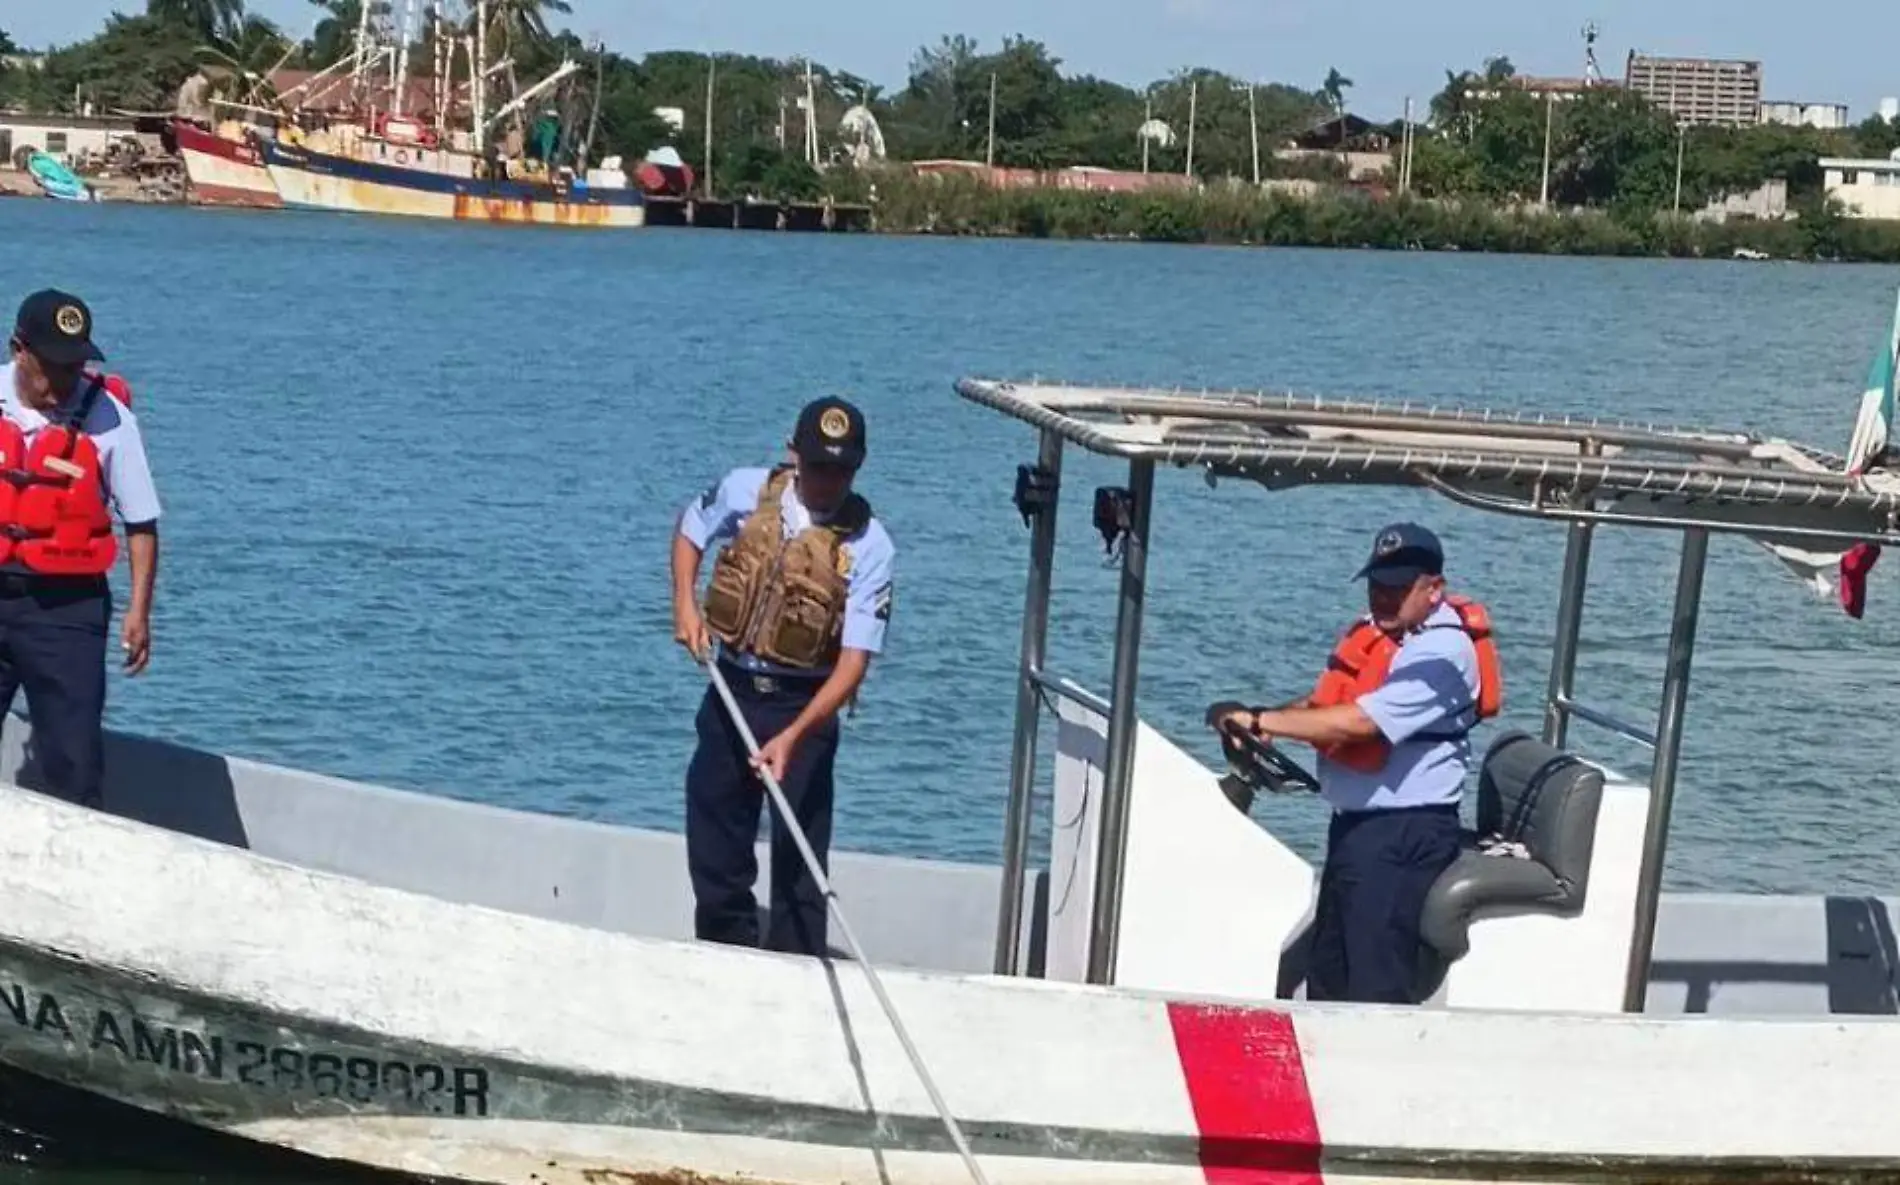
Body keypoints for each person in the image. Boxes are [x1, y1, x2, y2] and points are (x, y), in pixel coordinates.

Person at [1216, 522, 1500, 1004]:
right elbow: (1332, 702)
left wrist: (1266, 718)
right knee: (1329, 981)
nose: (1383, 598)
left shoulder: (1443, 655)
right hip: (1359, 832)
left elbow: (1361, 724)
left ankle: (1372, 1078)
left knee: (1374, 991)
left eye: (1398, 587)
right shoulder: (1392, 638)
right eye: (1377, 586)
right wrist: (1267, 724)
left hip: (1403, 837)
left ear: (1434, 590)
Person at [669, 396, 895, 958]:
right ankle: (727, 954)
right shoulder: (746, 490)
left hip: (806, 706)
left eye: (841, 469)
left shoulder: (870, 547)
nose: (827, 481)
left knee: (799, 859)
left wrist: (794, 737)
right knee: (715, 831)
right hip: (733, 688)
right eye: (818, 466)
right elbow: (691, 531)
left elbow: (854, 664)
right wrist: (685, 605)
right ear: (794, 454)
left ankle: (796, 971)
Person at [0, 290, 161, 809]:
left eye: (75, 366)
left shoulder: (110, 418)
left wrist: (138, 611)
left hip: (65, 611)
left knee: (73, 761)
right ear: (19, 350)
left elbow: (140, 522)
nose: (65, 381)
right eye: (53, 366)